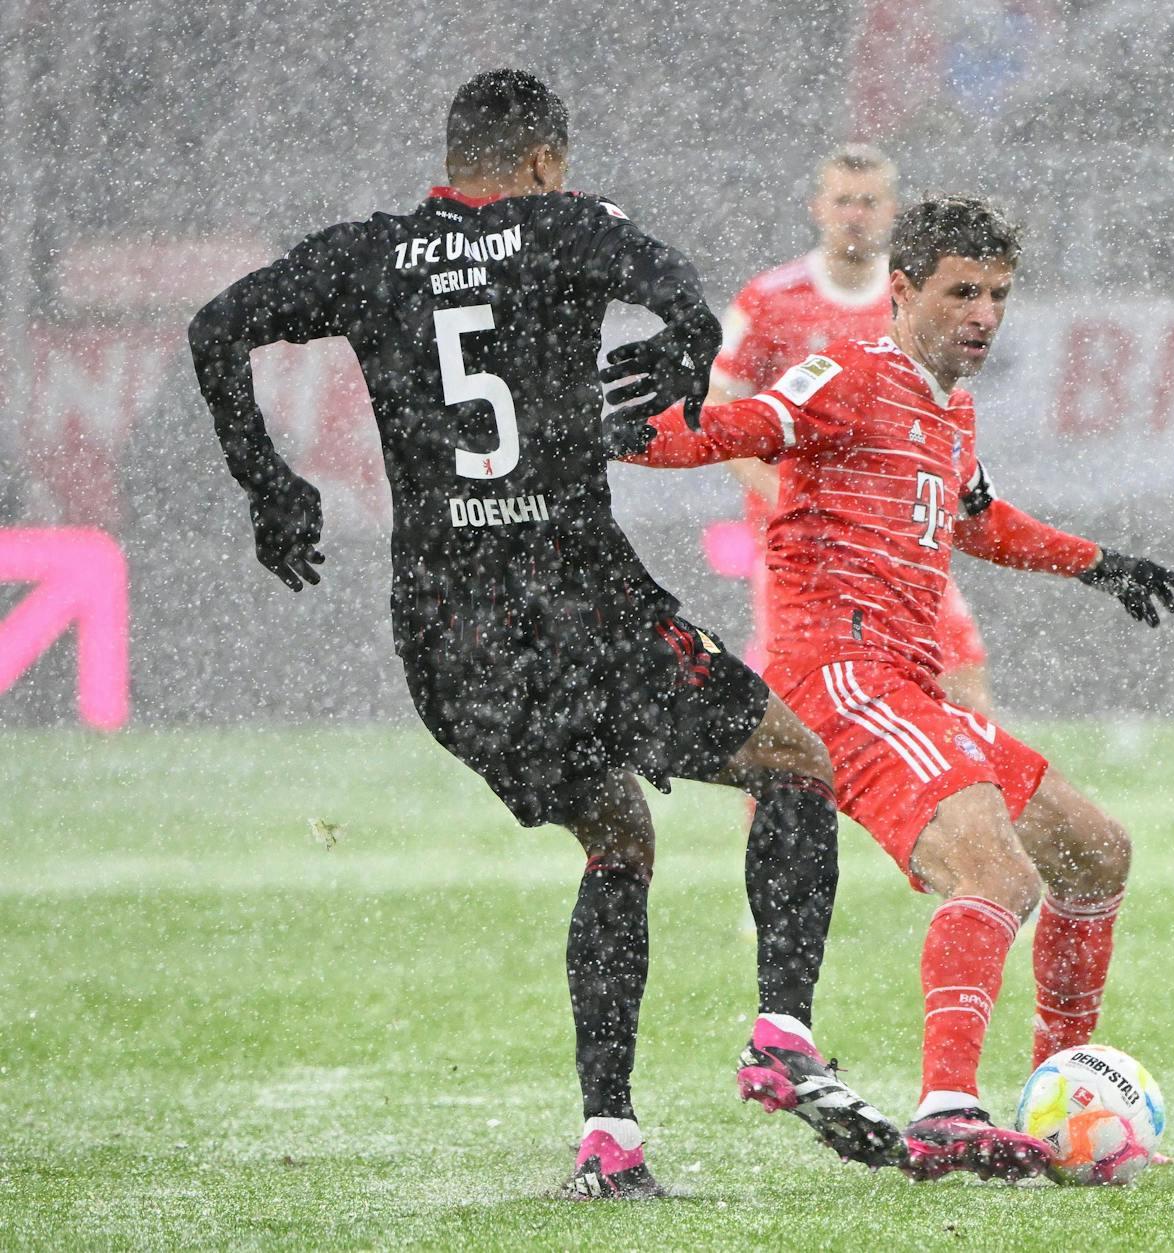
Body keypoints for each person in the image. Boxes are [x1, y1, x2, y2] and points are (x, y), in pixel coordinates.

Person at [186, 69, 902, 1200]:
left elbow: (216, 327)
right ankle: (780, 1032)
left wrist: (267, 484)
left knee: (617, 834)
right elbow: (677, 290)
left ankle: (608, 1137)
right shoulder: (563, 227)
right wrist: (681, 352)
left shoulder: (371, 253)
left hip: (447, 629)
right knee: (794, 761)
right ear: (541, 162)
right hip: (576, 596)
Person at [608, 196, 1174, 1180]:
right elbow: (731, 428)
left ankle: (1055, 1091)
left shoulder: (949, 406)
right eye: (962, 292)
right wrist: (609, 431)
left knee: (1095, 852)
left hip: (908, 683)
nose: (983, 314)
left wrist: (1098, 563)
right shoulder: (848, 373)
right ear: (904, 289)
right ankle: (947, 1112)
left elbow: (976, 517)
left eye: (998, 294)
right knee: (997, 874)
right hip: (839, 675)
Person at [708, 144, 996, 715]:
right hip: (802, 548)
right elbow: (719, 414)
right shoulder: (770, 301)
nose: (855, 215)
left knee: (961, 687)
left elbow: (941, 412)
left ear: (892, 211)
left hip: (899, 539)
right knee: (804, 707)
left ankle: (967, 776)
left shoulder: (915, 302)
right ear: (818, 207)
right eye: (843, 201)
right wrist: (792, 497)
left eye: (868, 202)